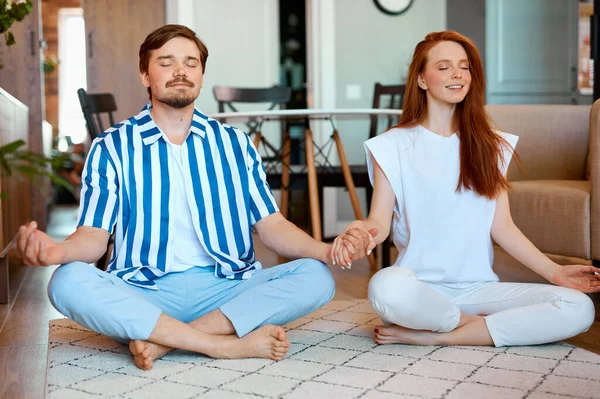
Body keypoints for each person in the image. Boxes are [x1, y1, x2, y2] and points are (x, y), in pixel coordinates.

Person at [17, 24, 373, 370]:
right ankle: (221, 345)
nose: (180, 71)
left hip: (225, 289)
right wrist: (56, 252)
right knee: (66, 281)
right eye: (166, 62)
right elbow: (94, 237)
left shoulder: (234, 144)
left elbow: (272, 226)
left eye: (191, 63)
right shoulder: (112, 146)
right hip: (144, 289)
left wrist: (328, 251)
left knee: (317, 275)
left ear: (201, 74)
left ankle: (163, 340)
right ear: (145, 75)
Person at [331, 30, 599, 347]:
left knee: (578, 308)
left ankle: (438, 336)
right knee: (384, 287)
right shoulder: (391, 146)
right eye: (444, 67)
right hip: (418, 290)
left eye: (464, 66)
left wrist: (556, 273)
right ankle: (475, 327)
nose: (458, 74)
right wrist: (361, 232)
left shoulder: (491, 145)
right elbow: (379, 223)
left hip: (479, 289)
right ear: (421, 79)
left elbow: (503, 227)